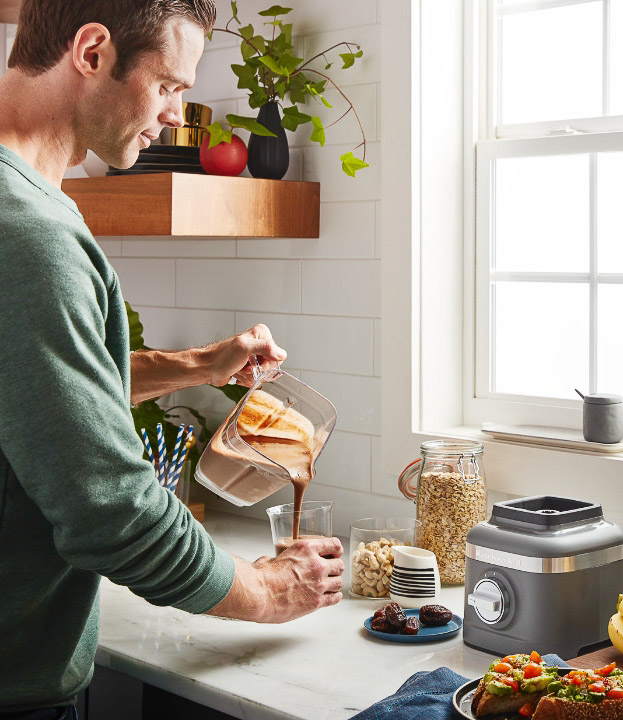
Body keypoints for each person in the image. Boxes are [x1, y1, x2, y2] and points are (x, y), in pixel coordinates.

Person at [0, 2, 344, 717]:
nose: (174, 115)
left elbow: (32, 394)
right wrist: (268, 590)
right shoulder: (28, 233)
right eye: (167, 85)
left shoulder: (27, 203)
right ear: (91, 52)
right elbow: (111, 511)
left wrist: (197, 365)